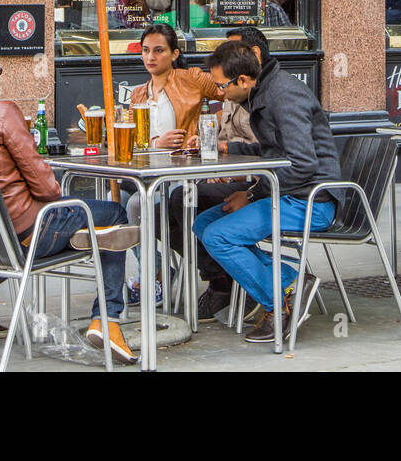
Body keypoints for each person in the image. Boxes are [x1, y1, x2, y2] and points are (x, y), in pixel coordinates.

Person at [0, 36, 140, 361]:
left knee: (16, 224)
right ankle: (107, 319)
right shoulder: (1, 113)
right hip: (26, 233)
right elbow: (47, 187)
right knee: (114, 214)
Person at [193, 41, 340, 344]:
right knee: (203, 224)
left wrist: (252, 193)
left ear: (243, 81)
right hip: (290, 192)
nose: (220, 93)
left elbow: (303, 163)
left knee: (219, 236)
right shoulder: (264, 92)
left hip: (312, 200)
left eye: (222, 86)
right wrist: (229, 148)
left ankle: (281, 305)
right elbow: (273, 149)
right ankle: (290, 280)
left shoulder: (284, 96)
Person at [167, 25, 265, 321]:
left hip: (256, 182)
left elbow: (267, 149)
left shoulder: (264, 97)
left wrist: (233, 169)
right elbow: (223, 137)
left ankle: (240, 281)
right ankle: (223, 278)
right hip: (231, 174)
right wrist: (208, 143)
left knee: (186, 200)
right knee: (165, 211)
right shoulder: (233, 96)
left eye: (231, 54)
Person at [124, 23, 223, 304]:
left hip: (183, 174)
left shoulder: (190, 78)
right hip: (148, 173)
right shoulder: (138, 94)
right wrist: (157, 143)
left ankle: (154, 279)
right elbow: (131, 144)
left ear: (174, 53)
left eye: (159, 50)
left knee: (133, 204)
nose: (150, 57)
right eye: (145, 51)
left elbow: (229, 93)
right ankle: (158, 268)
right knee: (113, 198)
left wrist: (208, 132)